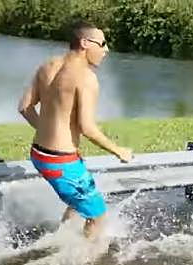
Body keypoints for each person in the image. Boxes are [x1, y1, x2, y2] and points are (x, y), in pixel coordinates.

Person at [17, 21, 133, 241]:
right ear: (85, 43)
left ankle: (61, 242)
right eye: (103, 43)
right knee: (98, 216)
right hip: (61, 162)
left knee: (78, 203)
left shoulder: (47, 65)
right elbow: (87, 128)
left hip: (39, 154)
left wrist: (48, 130)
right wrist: (119, 151)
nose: (106, 50)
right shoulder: (86, 78)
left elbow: (24, 107)